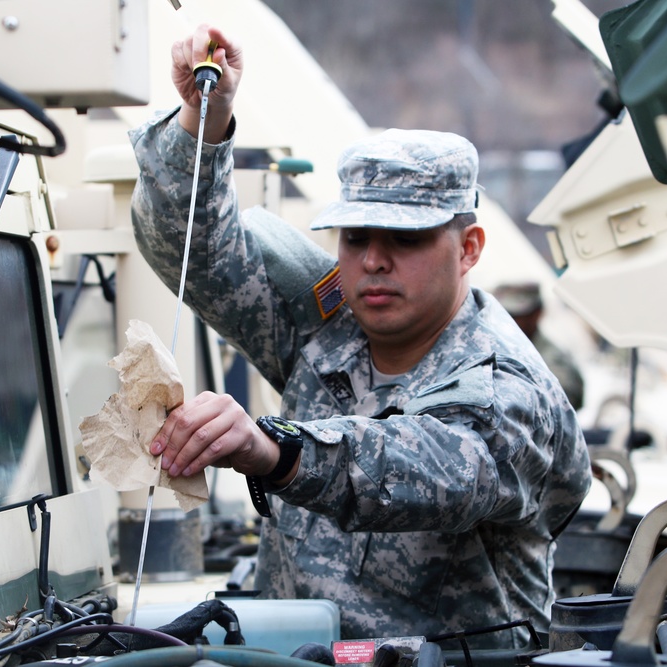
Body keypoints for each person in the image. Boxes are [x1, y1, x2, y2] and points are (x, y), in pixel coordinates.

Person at [128, 25, 590, 649]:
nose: (373, 261)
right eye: (356, 237)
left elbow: (425, 468)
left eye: (405, 240)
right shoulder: (326, 328)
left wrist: (275, 451)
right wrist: (203, 117)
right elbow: (189, 250)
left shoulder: (505, 386)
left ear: (469, 248)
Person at [493, 282, 585, 410]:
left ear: (536, 314)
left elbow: (560, 403)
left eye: (517, 316)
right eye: (504, 314)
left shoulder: (551, 359)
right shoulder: (495, 348)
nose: (508, 320)